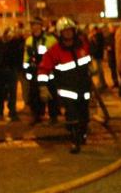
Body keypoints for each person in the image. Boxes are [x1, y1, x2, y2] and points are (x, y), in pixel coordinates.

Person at [38, 17, 93, 153]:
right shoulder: (54, 50)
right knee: (72, 116)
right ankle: (74, 140)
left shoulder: (82, 46)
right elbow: (44, 68)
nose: (68, 33)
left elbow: (88, 60)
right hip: (67, 90)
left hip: (84, 87)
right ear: (60, 33)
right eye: (65, 31)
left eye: (70, 30)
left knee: (84, 115)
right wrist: (43, 86)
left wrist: (91, 68)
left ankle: (82, 134)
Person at [24, 18, 59, 123]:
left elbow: (56, 53)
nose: (34, 27)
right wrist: (26, 69)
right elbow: (26, 56)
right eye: (32, 25)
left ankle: (53, 116)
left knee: (51, 92)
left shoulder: (50, 39)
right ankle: (37, 115)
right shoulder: (29, 40)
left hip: (48, 70)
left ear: (40, 26)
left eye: (36, 24)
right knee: (34, 93)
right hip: (35, 70)